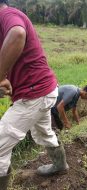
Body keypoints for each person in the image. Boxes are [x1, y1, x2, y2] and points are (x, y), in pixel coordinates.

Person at [0, 1, 68, 189]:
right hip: (43, 90)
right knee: (42, 132)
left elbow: (18, 34)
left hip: (35, 94)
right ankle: (60, 164)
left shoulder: (5, 15)